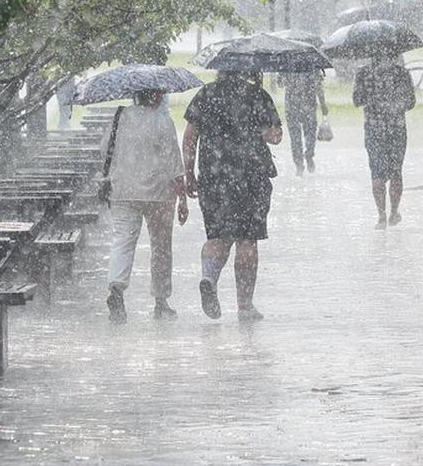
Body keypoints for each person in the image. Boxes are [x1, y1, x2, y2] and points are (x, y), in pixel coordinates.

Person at [183, 70, 283, 321]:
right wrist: (257, 126)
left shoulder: (205, 94)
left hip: (214, 176)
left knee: (218, 235)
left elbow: (190, 137)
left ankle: (208, 276)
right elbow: (276, 136)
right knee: (247, 240)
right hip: (252, 177)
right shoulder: (258, 96)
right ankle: (245, 305)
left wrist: (188, 172)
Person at [104, 89, 188, 325]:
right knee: (161, 247)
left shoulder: (119, 117)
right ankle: (161, 302)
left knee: (122, 242)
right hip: (158, 193)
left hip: (123, 191)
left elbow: (105, 152)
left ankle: (116, 290)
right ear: (157, 96)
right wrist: (182, 198)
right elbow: (174, 163)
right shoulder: (163, 121)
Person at [352, 53, 416, 228]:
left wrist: (371, 98)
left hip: (374, 129)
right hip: (397, 128)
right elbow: (411, 102)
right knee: (396, 171)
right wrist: (394, 104)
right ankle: (394, 212)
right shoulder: (402, 73)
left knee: (377, 173)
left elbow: (357, 101)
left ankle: (381, 215)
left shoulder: (363, 73)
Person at [280, 68, 327, 175]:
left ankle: (299, 164)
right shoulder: (313, 66)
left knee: (295, 137)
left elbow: (280, 83)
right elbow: (319, 87)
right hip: (309, 105)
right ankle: (309, 156)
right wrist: (322, 103)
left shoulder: (286, 65)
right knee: (310, 133)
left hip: (291, 106)